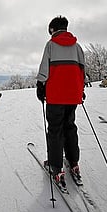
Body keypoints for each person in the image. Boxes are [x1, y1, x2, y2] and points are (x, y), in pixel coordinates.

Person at [36, 16, 85, 189]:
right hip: (73, 96)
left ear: (52, 30)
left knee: (55, 129)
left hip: (56, 96)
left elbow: (44, 69)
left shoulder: (51, 45)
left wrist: (40, 86)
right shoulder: (77, 47)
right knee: (70, 126)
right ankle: (74, 163)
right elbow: (81, 71)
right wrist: (81, 91)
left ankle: (56, 167)